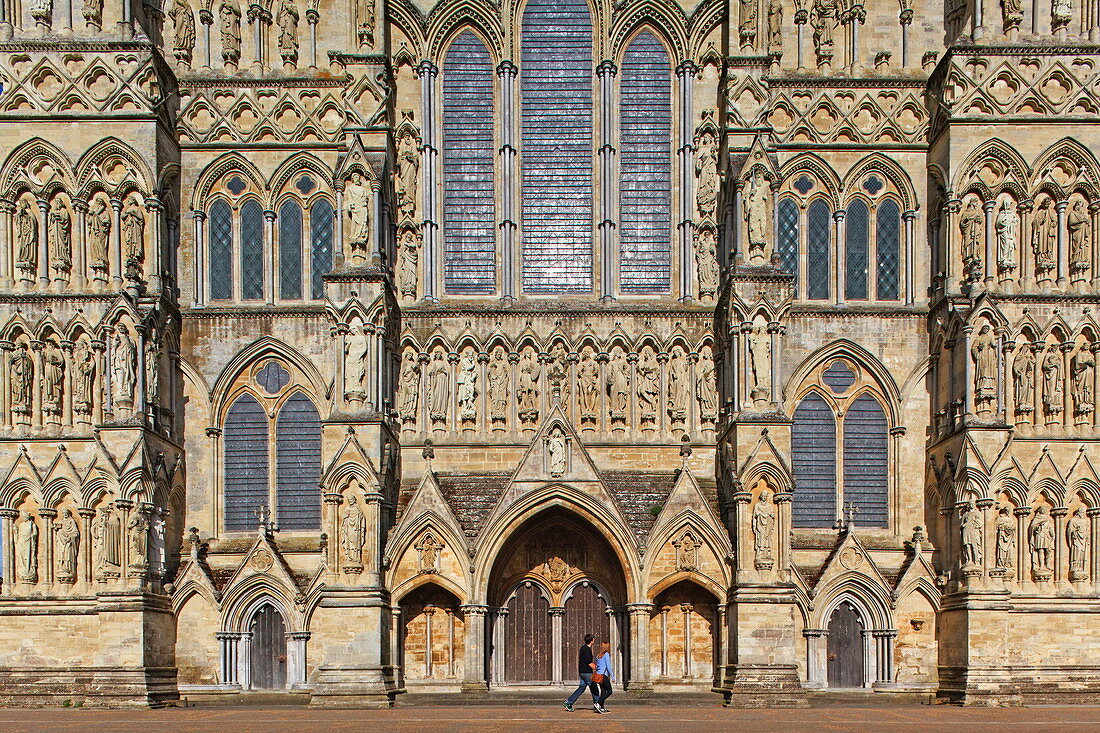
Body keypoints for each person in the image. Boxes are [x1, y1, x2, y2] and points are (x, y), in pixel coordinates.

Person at [563, 633, 598, 712]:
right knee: (594, 688)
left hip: (582, 672)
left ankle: (569, 702)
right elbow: (589, 662)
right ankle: (597, 705)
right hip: (587, 672)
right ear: (591, 641)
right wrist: (597, 668)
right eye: (593, 639)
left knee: (581, 688)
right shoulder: (587, 649)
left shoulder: (583, 648)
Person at [591, 641, 614, 714]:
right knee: (609, 691)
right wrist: (612, 676)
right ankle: (598, 703)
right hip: (603, 676)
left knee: (603, 691)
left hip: (598, 675)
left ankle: (602, 707)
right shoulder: (606, 654)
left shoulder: (598, 655)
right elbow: (608, 666)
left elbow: (597, 666)